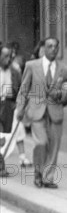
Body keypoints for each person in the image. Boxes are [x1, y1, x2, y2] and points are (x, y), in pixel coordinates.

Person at [16, 37, 67, 188]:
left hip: (55, 110)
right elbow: (24, 89)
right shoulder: (32, 66)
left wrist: (60, 94)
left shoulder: (63, 68)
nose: (53, 49)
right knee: (41, 143)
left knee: (54, 145)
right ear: (44, 49)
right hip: (37, 110)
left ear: (58, 49)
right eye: (50, 46)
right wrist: (20, 109)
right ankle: (38, 172)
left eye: (55, 46)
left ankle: (48, 178)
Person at [0, 45, 21, 176]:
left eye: (10, 56)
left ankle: (1, 164)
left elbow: (20, 89)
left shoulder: (15, 72)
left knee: (4, 137)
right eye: (5, 56)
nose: (8, 59)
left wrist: (16, 104)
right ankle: (1, 166)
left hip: (8, 105)